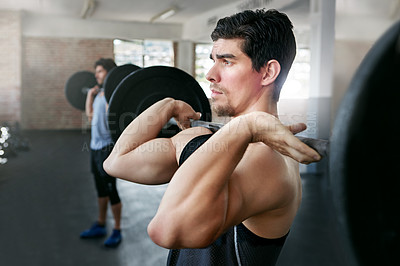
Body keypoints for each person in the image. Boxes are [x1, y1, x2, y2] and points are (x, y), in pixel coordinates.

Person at [104, 9, 321, 265]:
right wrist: (168, 105)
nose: (210, 74)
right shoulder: (203, 138)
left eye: (226, 61)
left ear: (267, 73)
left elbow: (166, 230)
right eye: (213, 60)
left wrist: (246, 127)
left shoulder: (267, 163)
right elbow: (117, 161)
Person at [80, 58, 122, 248]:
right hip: (95, 147)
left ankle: (117, 230)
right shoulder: (98, 95)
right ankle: (101, 223)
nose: (96, 75)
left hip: (107, 147)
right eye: (96, 72)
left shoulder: (112, 95)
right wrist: (90, 96)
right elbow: (90, 118)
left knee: (111, 189)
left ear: (109, 73)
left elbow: (113, 118)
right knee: (100, 188)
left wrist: (109, 97)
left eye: (100, 72)